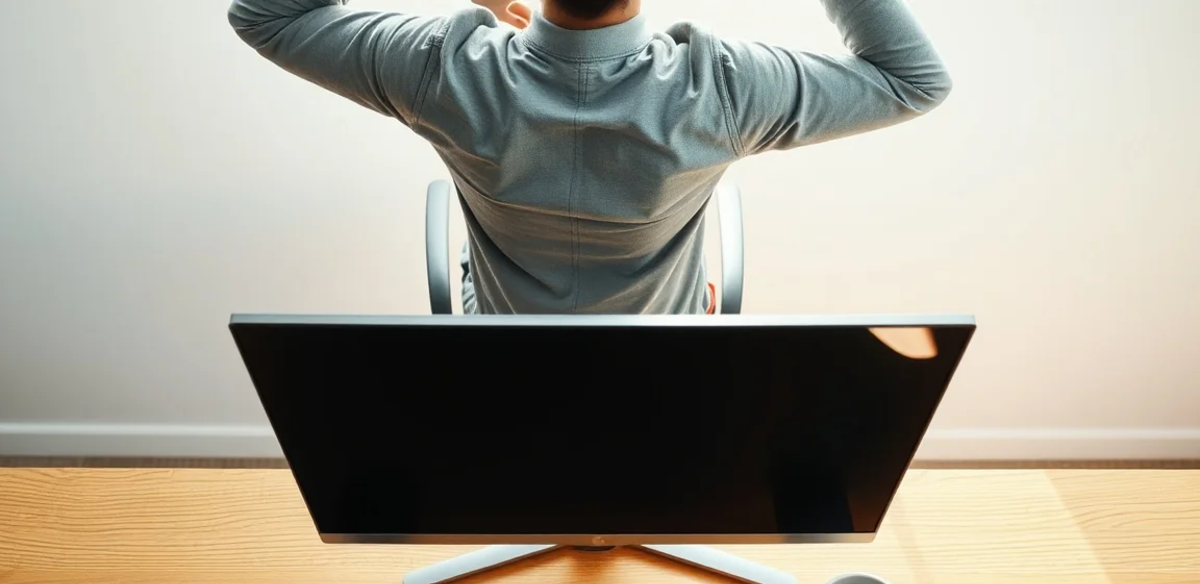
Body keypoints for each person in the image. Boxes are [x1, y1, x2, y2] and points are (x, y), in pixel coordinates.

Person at [228, 1, 951, 314]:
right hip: (664, 378)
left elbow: (267, 16)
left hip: (502, 374)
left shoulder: (442, 70)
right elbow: (913, 80)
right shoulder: (721, 89)